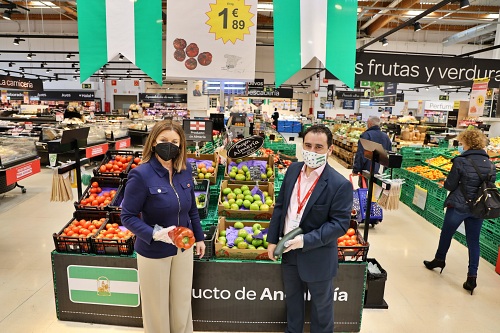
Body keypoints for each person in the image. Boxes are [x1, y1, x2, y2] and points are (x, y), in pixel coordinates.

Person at [121, 120, 206, 333]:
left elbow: (192, 209)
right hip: (153, 251)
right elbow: (127, 216)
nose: (169, 145)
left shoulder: (184, 171)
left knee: (182, 303)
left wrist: (200, 236)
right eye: (164, 140)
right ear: (153, 143)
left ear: (181, 145)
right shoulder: (141, 175)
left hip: (183, 248)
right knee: (157, 308)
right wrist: (154, 234)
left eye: (175, 141)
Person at [267, 125, 353, 333]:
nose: (312, 152)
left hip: (318, 256)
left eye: (319, 147)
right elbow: (281, 206)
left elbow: (340, 224)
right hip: (288, 252)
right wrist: (272, 240)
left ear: (330, 150)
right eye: (308, 145)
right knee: (293, 303)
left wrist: (305, 240)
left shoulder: (339, 184)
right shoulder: (293, 169)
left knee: (322, 309)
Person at [424, 129, 494, 295]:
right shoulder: (490, 164)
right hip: (478, 208)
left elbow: (450, 185)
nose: (461, 146)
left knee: (446, 234)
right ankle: (472, 277)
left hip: (458, 205)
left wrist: (445, 183)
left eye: (462, 143)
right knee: (473, 242)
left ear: (467, 143)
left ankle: (439, 260)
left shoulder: (460, 161)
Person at [352, 116, 392, 185]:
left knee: (365, 190)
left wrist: (356, 170)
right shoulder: (386, 137)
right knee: (377, 192)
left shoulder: (366, 135)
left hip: (367, 170)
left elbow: (361, 154)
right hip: (381, 172)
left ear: (370, 124)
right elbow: (390, 154)